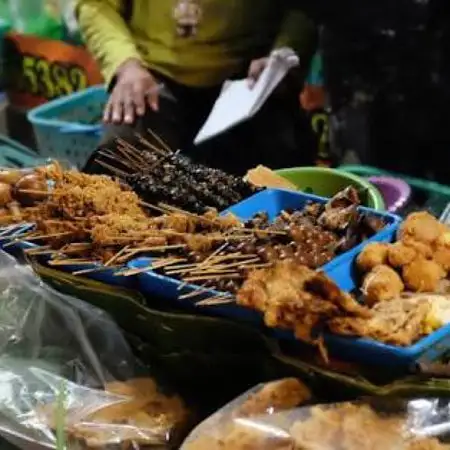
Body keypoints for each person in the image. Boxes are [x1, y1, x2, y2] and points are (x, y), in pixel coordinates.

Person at [76, 0, 317, 175]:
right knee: (118, 161)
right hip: (153, 74)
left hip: (250, 79)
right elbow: (96, 5)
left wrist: (285, 50)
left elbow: (304, 9)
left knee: (285, 169)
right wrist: (125, 65)